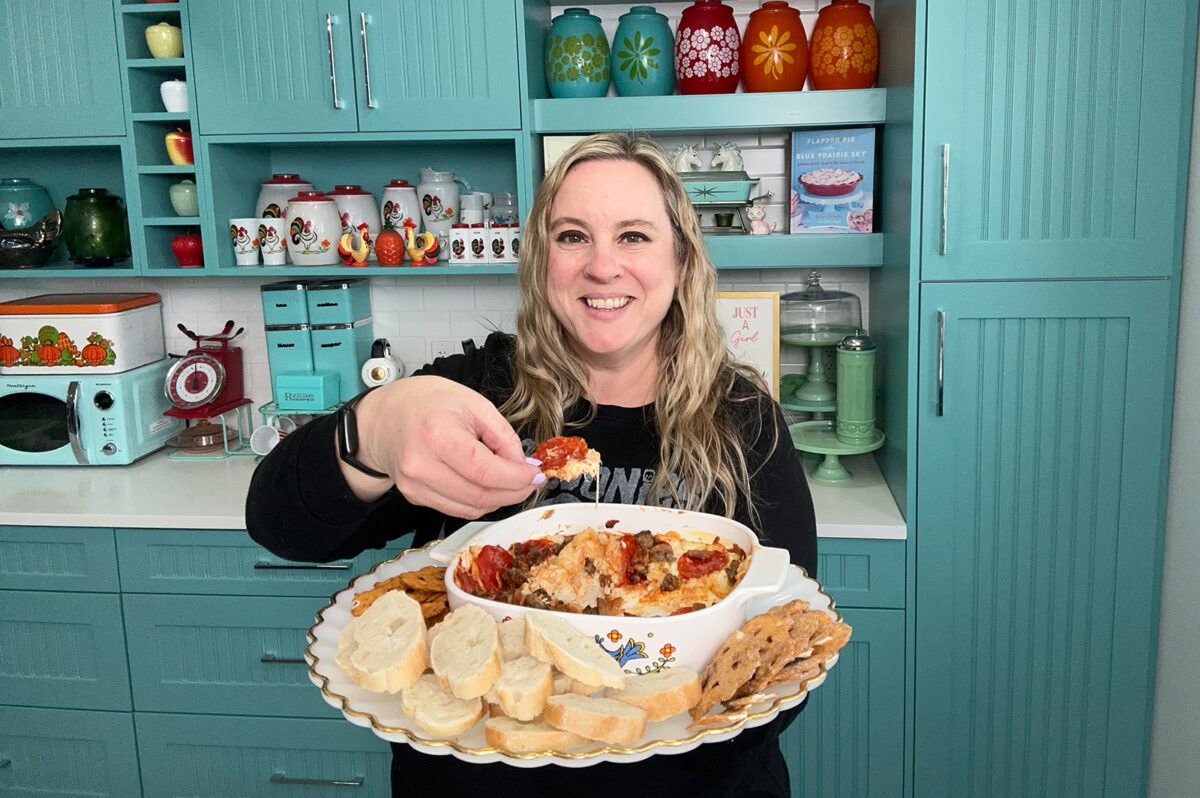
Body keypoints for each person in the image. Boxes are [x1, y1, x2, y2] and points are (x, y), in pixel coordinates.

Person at [246, 132, 818, 798]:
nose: (602, 266)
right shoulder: (472, 394)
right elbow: (280, 525)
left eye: (633, 236)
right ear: (541, 259)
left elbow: (785, 663)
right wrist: (375, 426)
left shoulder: (744, 417)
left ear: (682, 260)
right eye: (572, 235)